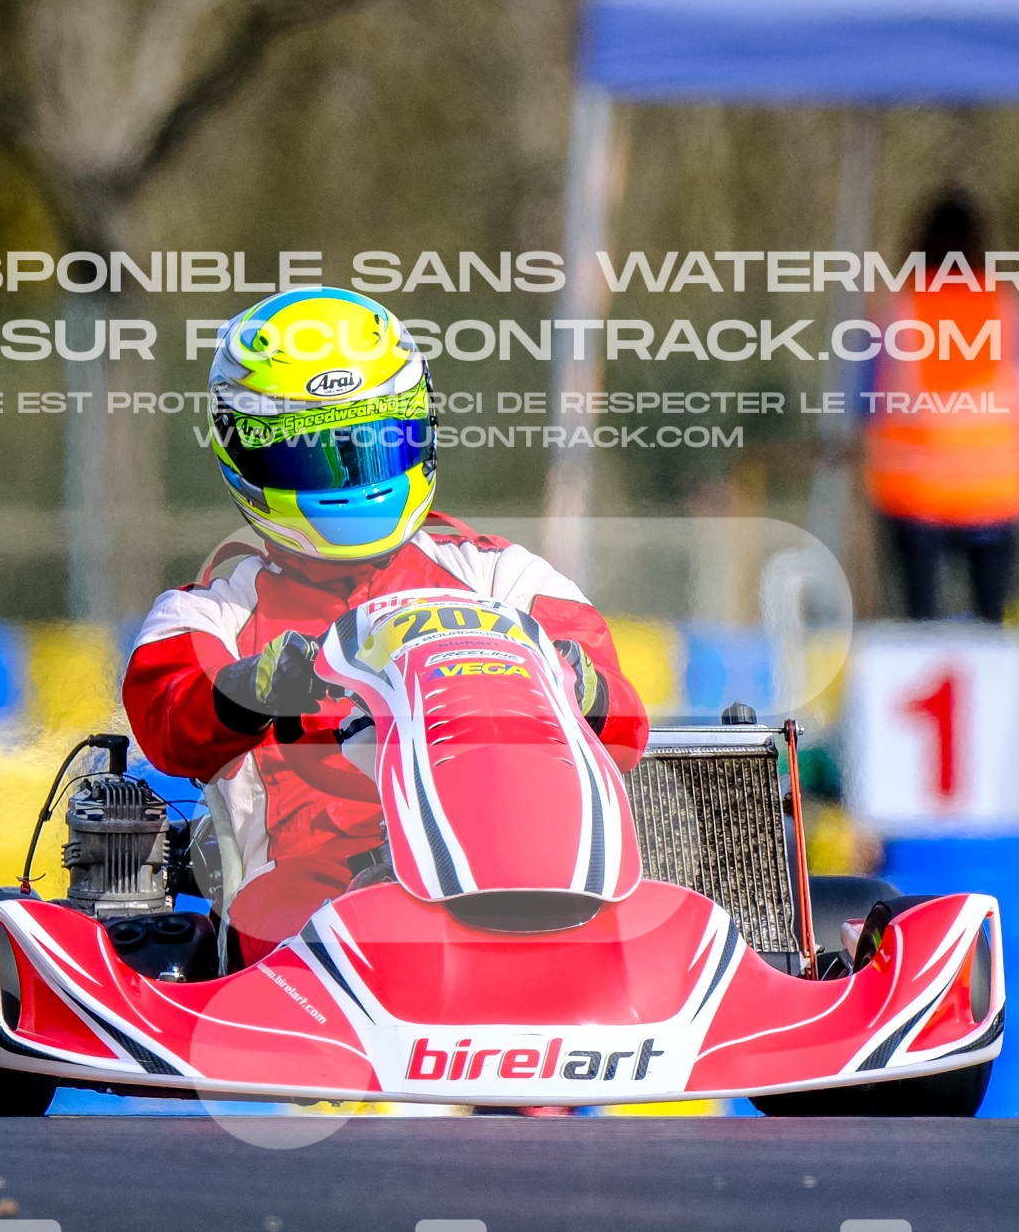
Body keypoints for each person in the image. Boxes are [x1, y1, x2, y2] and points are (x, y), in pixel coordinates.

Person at [124, 288, 649, 963]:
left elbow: (627, 730)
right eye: (314, 451)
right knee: (353, 930)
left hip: (508, 862)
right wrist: (253, 690)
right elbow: (170, 722)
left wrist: (581, 687)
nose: (352, 474)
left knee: (656, 922)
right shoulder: (211, 613)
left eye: (375, 442)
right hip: (306, 890)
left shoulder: (505, 579)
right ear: (247, 451)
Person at [862, 190, 1019, 622]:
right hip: (998, 490)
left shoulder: (898, 305)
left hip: (914, 491)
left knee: (920, 620)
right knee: (994, 621)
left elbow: (864, 395)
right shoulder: (1010, 304)